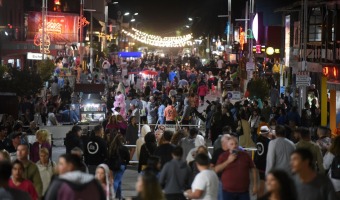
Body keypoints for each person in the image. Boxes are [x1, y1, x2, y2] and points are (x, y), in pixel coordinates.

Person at [107, 134, 130, 199]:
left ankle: (119, 196)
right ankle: (112, 195)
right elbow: (128, 158)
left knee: (118, 180)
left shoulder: (112, 148)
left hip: (113, 166)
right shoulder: (124, 148)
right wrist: (126, 163)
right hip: (121, 166)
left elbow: (109, 158)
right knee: (117, 181)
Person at [254, 126, 272, 197]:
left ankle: (259, 196)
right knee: (262, 183)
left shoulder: (258, 140)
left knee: (261, 182)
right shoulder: (268, 141)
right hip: (264, 164)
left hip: (258, 162)